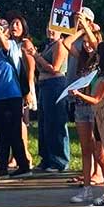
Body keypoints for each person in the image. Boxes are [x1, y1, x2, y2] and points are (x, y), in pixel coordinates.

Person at [70, 36, 104, 207]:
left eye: (99, 55)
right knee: (101, 157)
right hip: (99, 117)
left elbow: (97, 100)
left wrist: (79, 94)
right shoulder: (99, 73)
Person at [0, 9, 34, 179]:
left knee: (12, 132)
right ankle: (5, 167)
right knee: (2, 133)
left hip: (10, 96)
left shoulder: (12, 46)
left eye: (1, 28)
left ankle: (21, 165)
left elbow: (3, 41)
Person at [64, 12, 104, 202]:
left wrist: (88, 28)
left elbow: (96, 45)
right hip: (81, 105)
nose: (87, 45)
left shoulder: (99, 57)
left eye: (90, 41)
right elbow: (66, 44)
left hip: (95, 105)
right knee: (85, 148)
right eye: (85, 42)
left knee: (100, 149)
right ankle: (86, 188)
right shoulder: (81, 56)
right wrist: (80, 30)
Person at [26, 26, 70, 173]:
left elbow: (54, 68)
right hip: (44, 85)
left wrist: (36, 56)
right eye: (48, 28)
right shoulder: (48, 46)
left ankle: (59, 161)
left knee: (55, 122)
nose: (50, 31)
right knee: (44, 123)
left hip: (55, 84)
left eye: (54, 28)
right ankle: (46, 158)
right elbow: (41, 67)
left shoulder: (60, 44)